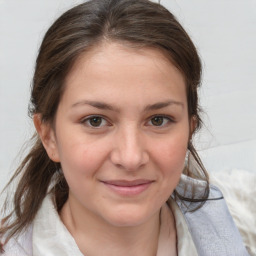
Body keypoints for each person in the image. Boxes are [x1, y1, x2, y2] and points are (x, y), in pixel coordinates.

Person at [0, 0, 252, 255]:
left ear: (190, 128)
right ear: (49, 135)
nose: (131, 158)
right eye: (95, 121)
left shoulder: (234, 217)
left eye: (158, 120)